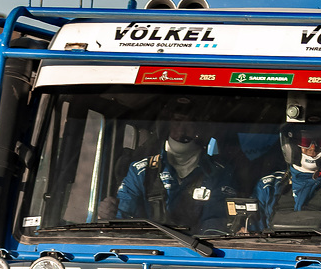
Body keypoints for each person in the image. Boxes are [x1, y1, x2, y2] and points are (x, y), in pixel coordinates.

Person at [100, 97, 235, 231]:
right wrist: (109, 213)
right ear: (167, 126)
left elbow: (216, 223)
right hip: (150, 246)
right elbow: (123, 214)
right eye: (177, 122)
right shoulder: (142, 171)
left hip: (200, 250)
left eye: (190, 123)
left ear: (200, 129)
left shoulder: (218, 174)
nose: (181, 131)